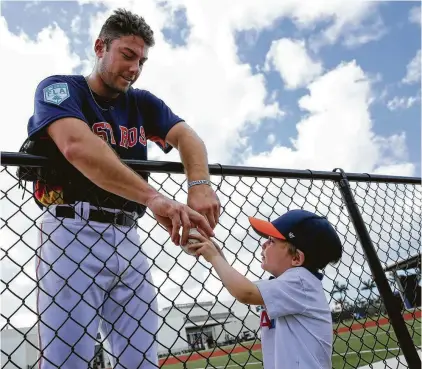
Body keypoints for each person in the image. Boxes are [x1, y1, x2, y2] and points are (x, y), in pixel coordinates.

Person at [24, 8, 220, 369]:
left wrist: (200, 185)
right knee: (66, 363)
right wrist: (154, 197)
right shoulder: (60, 88)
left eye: (142, 61)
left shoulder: (141, 102)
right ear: (100, 47)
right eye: (127, 55)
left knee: (142, 361)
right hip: (71, 230)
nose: (134, 68)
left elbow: (187, 137)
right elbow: (76, 147)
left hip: (128, 236)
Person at [188, 209, 343, 369]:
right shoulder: (292, 285)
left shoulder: (301, 282)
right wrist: (219, 257)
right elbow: (244, 286)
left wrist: (214, 257)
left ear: (297, 257)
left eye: (272, 241)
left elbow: (245, 292)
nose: (264, 244)